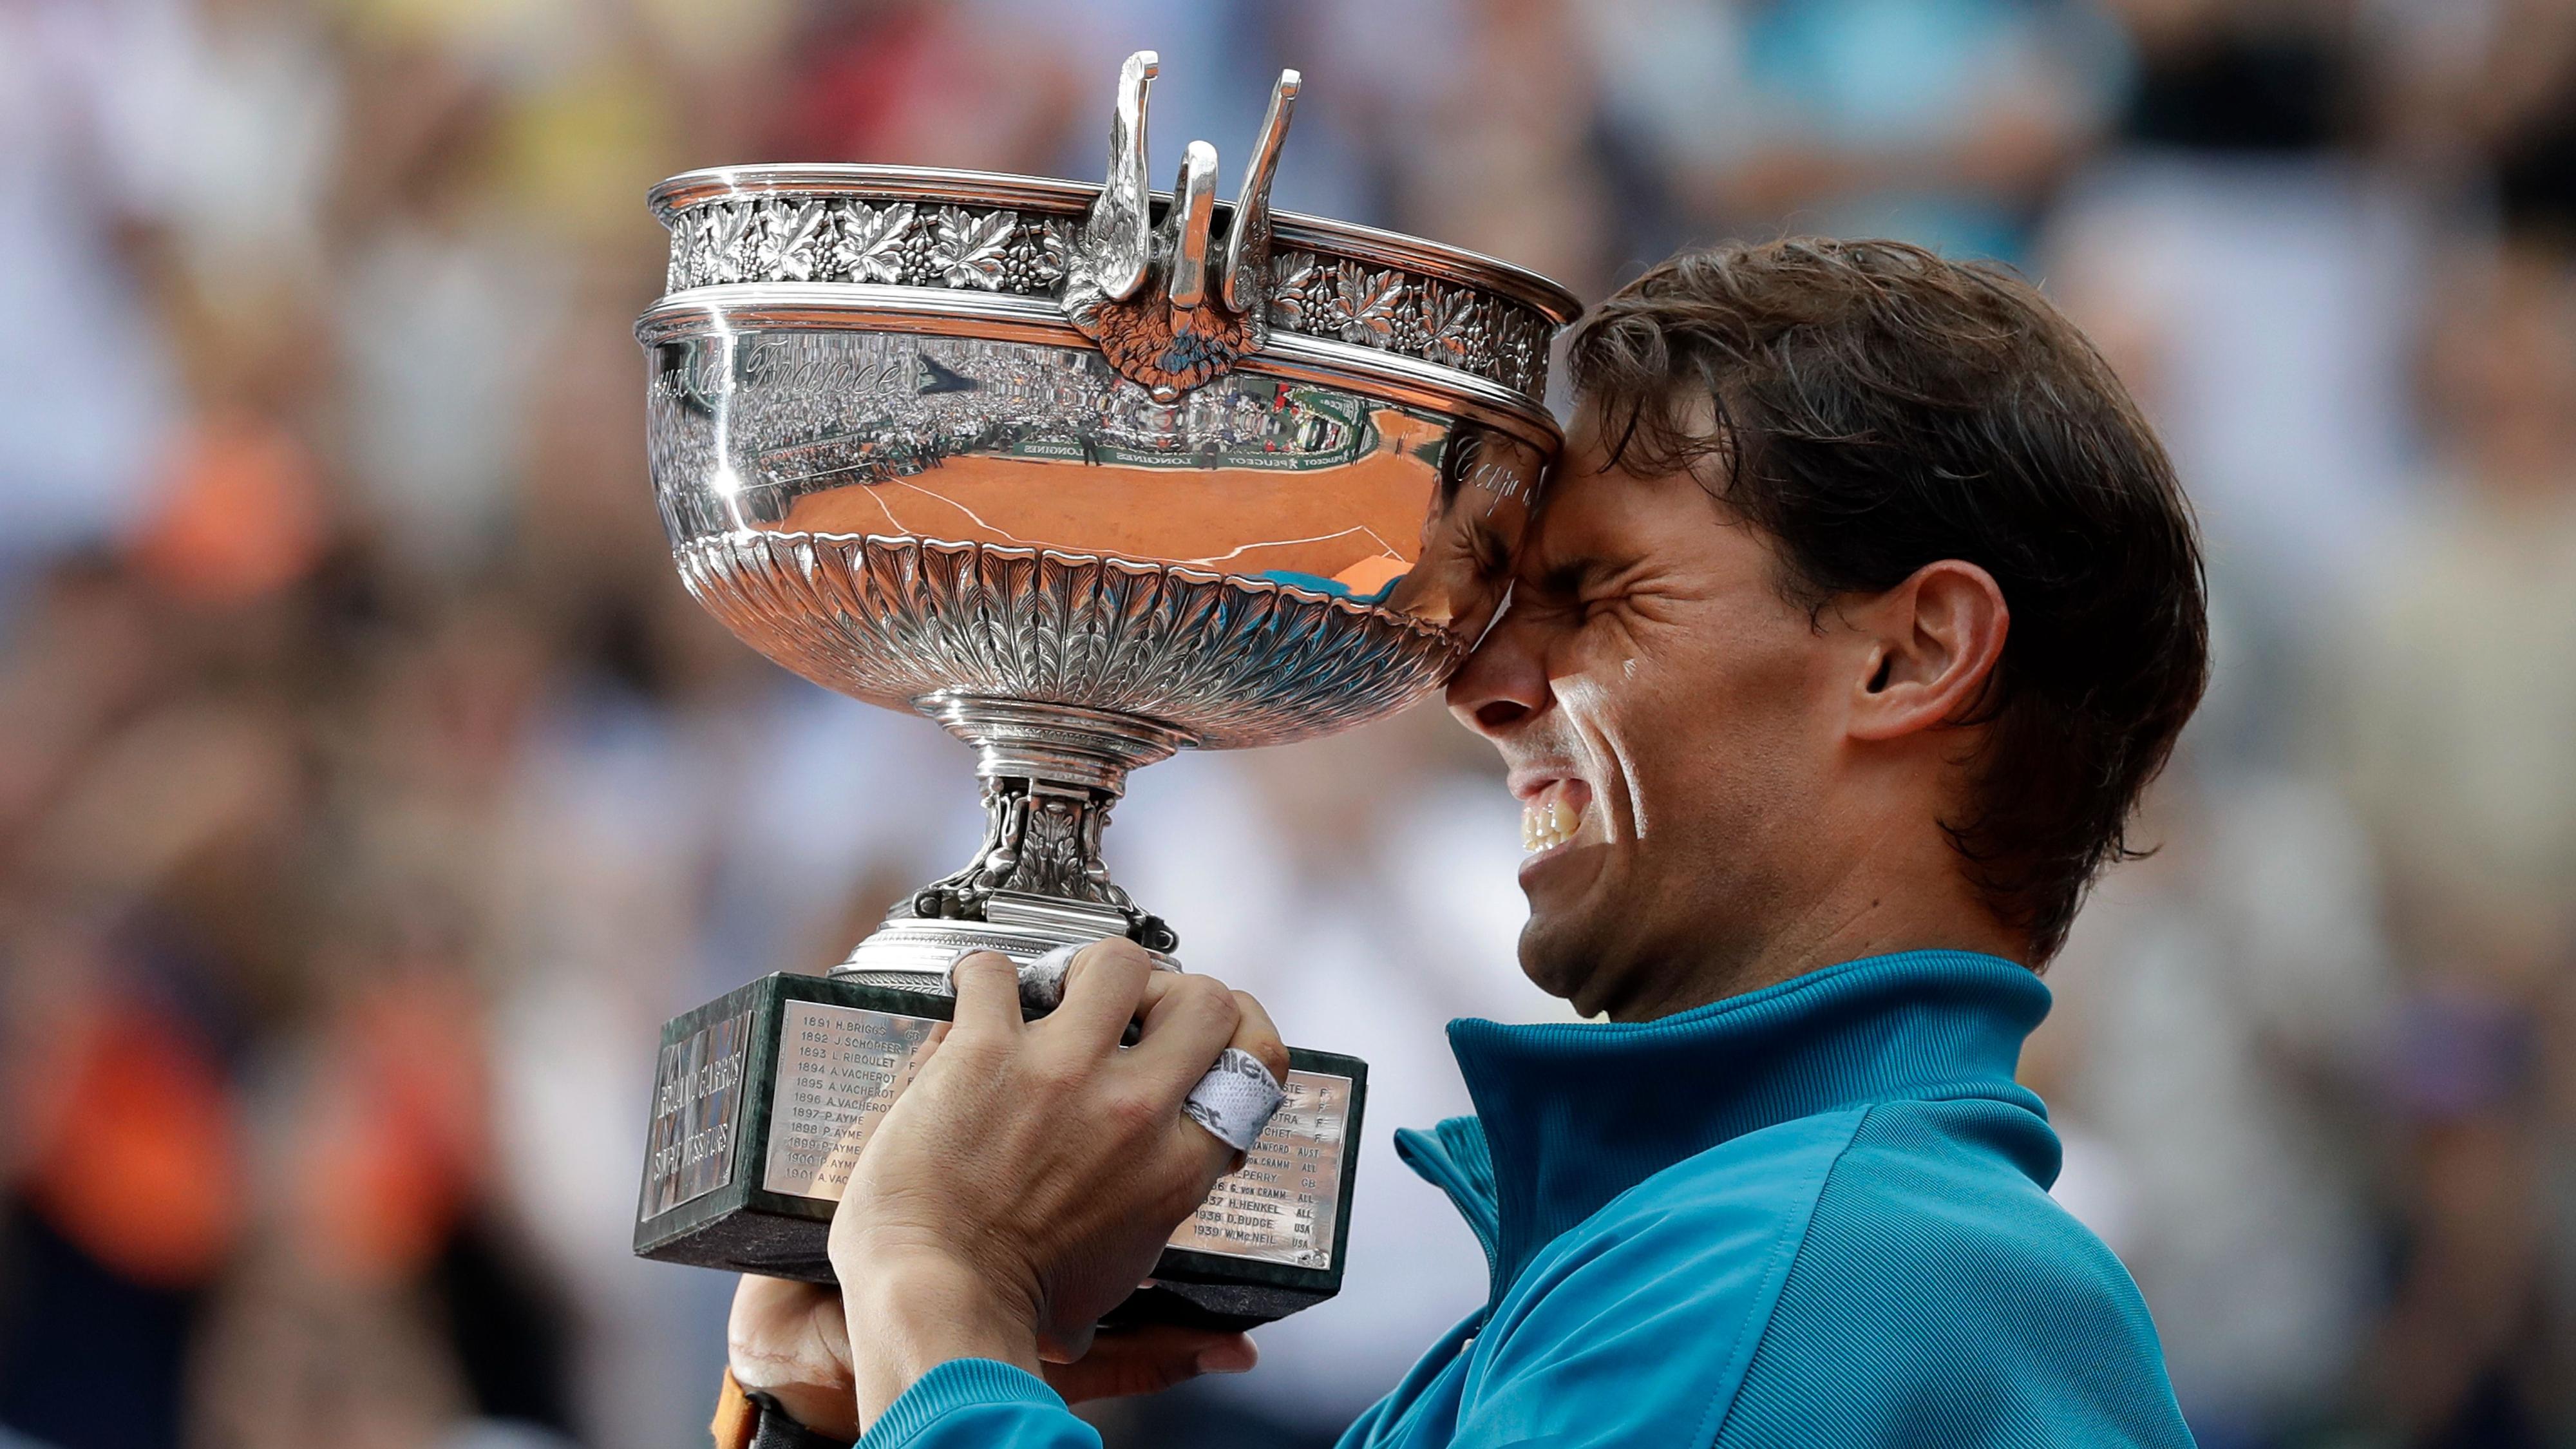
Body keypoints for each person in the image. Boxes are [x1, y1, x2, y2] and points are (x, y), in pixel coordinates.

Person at [715, 237, 2210, 1448]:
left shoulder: (1804, 1283)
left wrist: (947, 1305)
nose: (1477, 682)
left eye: (1598, 595)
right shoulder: (1700, 1264)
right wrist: (842, 1409)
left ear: (1908, 654)